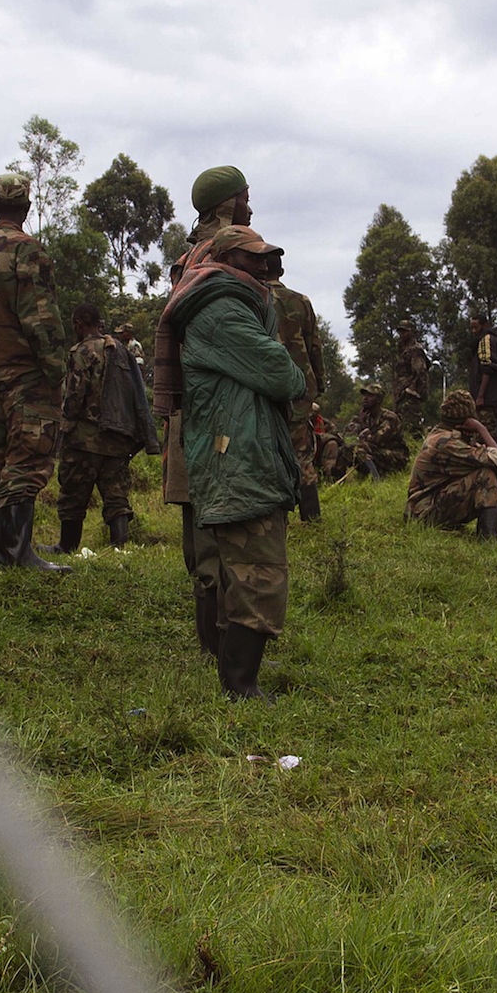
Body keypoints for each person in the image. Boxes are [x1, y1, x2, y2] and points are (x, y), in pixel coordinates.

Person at [163, 222, 303, 701]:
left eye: (266, 257)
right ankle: (240, 687)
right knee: (258, 572)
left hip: (239, 450)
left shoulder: (233, 303)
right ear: (224, 261)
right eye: (252, 258)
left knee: (238, 572)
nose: (263, 266)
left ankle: (238, 677)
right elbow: (281, 373)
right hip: (237, 455)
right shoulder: (221, 309)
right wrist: (292, 374)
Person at [155, 165, 258, 651]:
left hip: (187, 406)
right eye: (245, 198)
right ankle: (227, 639)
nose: (251, 206)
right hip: (222, 407)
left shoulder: (186, 257)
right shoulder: (232, 253)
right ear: (227, 206)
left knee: (198, 525)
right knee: (228, 522)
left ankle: (208, 637)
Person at [0, 170, 71, 572]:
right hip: (28, 376)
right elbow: (40, 317)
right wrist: (56, 369)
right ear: (27, 206)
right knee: (28, 460)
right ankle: (20, 554)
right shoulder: (29, 251)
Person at [56, 303, 153, 552]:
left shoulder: (81, 351)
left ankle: (67, 547)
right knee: (116, 494)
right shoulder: (120, 351)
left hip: (84, 439)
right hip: (118, 437)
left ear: (79, 324)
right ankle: (119, 546)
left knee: (73, 494)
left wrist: (65, 426)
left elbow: (75, 396)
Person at [407, 389, 497, 540]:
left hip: (434, 502)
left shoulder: (446, 434)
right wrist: (481, 429)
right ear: (466, 421)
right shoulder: (446, 442)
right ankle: (488, 541)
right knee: (486, 476)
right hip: (422, 513)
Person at [271, 275, 327, 522]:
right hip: (300, 387)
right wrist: (319, 384)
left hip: (266, 389)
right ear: (281, 271)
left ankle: (273, 519)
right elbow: (314, 345)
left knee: (268, 452)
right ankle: (311, 517)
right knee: (302, 456)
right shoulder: (300, 301)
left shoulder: (252, 297)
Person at [343, 383, 410, 477]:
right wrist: (360, 422)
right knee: (347, 448)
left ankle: (376, 478)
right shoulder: (366, 417)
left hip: (397, 456)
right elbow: (349, 438)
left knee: (360, 449)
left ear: (379, 399)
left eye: (370, 395)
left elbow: (377, 440)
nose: (365, 398)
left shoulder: (389, 417)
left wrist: (362, 436)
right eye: (364, 395)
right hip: (378, 453)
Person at [469, 314, 497, 438]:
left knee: (486, 430)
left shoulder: (486, 339)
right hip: (495, 394)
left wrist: (480, 395)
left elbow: (488, 367)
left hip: (488, 395)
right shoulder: (495, 339)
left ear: (484, 325)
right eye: (471, 328)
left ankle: (492, 455)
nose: (473, 331)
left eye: (476, 327)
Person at [395, 321, 431, 417]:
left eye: (405, 331)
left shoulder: (415, 350)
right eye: (400, 332)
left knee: (410, 424)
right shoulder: (402, 349)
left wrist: (412, 390)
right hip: (401, 393)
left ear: (411, 332)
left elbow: (420, 372)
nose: (402, 335)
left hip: (410, 395)